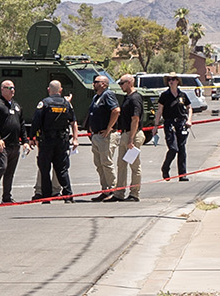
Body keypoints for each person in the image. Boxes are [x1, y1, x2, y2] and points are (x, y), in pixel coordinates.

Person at [30, 79, 78, 202]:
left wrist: (31, 138)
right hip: (62, 141)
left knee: (45, 169)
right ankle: (68, 195)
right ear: (61, 90)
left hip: (47, 141)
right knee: (62, 169)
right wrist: (75, 138)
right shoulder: (66, 104)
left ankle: (46, 197)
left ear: (48, 90)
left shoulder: (44, 103)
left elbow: (36, 122)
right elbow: (73, 121)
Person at [84, 73, 120, 202]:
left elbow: (116, 110)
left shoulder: (108, 94)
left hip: (106, 136)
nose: (93, 83)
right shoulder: (96, 97)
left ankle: (113, 189)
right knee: (99, 164)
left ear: (103, 84)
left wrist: (109, 128)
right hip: (96, 136)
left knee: (107, 163)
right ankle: (105, 190)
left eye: (96, 81)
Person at [113, 73, 146, 201]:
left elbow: (135, 119)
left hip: (133, 134)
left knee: (134, 165)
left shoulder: (135, 98)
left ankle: (134, 193)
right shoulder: (127, 97)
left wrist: (131, 139)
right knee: (121, 164)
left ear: (130, 82)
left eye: (122, 83)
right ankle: (119, 193)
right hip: (125, 133)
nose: (120, 86)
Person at [159, 73, 192, 182]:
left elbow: (189, 107)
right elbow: (159, 111)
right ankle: (165, 168)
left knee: (182, 149)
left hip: (181, 123)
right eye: (169, 80)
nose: (171, 81)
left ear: (177, 81)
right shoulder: (164, 95)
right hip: (169, 123)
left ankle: (182, 174)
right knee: (173, 148)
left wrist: (189, 120)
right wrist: (155, 125)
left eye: (173, 79)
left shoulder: (182, 95)